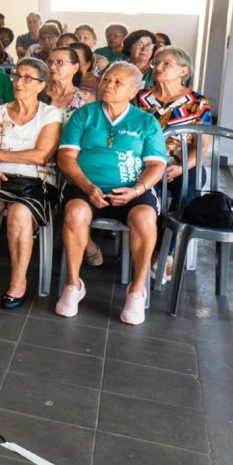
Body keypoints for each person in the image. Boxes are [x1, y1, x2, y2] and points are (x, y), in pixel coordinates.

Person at [56, 62, 167, 325]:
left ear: (133, 90)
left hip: (132, 189)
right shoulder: (84, 115)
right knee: (75, 212)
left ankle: (137, 290)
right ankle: (73, 284)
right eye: (106, 79)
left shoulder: (146, 121)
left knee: (144, 218)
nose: (109, 85)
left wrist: (136, 190)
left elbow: (156, 164)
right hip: (86, 186)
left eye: (118, 82)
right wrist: (86, 186)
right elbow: (65, 157)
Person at [0, 58, 62, 308]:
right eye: (17, 76)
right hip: (0, 176)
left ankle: (18, 282)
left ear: (41, 85)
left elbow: (41, 155)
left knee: (20, 214)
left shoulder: (51, 114)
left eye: (27, 78)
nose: (19, 82)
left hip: (36, 180)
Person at [136, 46, 212, 213]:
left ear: (183, 71)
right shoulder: (139, 98)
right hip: (144, 163)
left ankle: (175, 236)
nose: (158, 67)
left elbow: (201, 147)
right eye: (156, 63)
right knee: (145, 202)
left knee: (189, 190)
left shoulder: (197, 102)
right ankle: (149, 229)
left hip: (180, 164)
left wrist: (181, 168)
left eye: (166, 64)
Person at [45, 46, 94, 121]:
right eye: (50, 62)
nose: (52, 67)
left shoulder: (85, 99)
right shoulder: (38, 93)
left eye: (59, 62)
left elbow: (89, 128)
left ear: (75, 68)